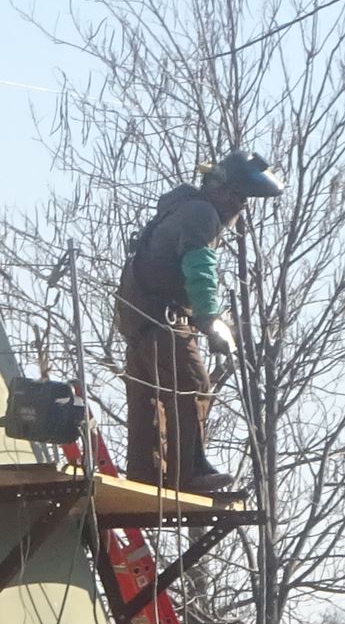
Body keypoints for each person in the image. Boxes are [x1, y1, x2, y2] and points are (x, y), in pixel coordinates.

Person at [112, 150, 283, 492]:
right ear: (221, 190)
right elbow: (200, 268)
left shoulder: (179, 209)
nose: (241, 207)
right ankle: (189, 472)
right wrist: (209, 318)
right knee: (192, 384)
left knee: (148, 394)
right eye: (239, 197)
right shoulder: (201, 214)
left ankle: (145, 475)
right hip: (162, 317)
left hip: (137, 315)